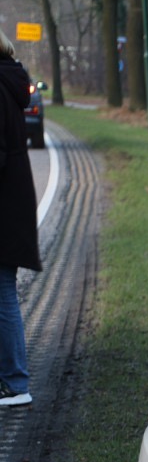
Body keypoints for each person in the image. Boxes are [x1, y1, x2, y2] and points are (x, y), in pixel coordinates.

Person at [0, 30, 42, 406]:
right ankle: (12, 380)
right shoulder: (9, 80)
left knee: (2, 294)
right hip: (12, 205)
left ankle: (15, 383)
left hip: (4, 210)